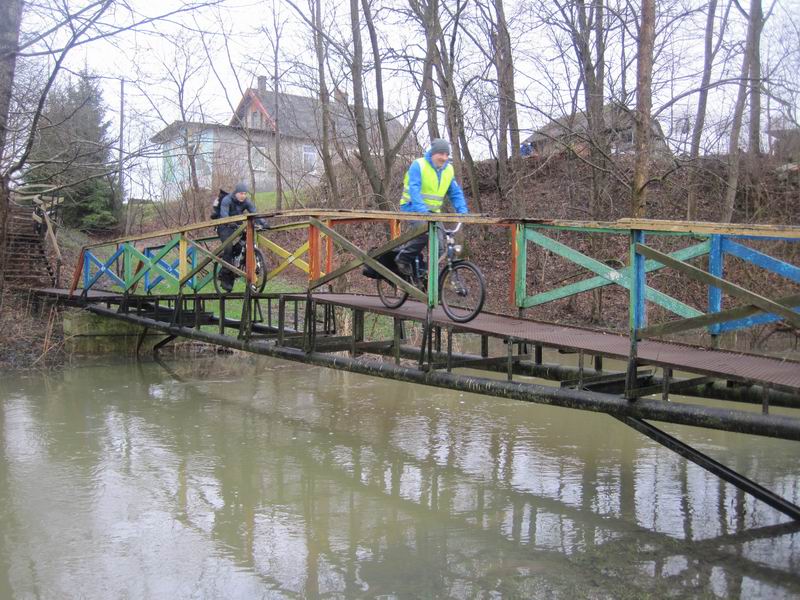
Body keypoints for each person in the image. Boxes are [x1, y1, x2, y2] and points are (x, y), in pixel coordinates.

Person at [395, 138, 469, 275]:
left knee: (440, 247)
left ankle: (430, 279)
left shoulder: (448, 170)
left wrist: (462, 210)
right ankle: (403, 259)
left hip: (433, 212)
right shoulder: (419, 165)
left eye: (446, 154)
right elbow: (414, 189)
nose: (444, 157)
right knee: (425, 233)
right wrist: (422, 212)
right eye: (441, 154)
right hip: (411, 208)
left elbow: (455, 192)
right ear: (433, 153)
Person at [216, 182, 267, 292]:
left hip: (238, 226)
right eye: (241, 193)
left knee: (246, 239)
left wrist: (264, 223)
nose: (243, 196)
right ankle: (225, 275)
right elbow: (224, 215)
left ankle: (239, 259)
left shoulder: (246, 201)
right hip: (224, 226)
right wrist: (230, 222)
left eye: (245, 194)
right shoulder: (227, 200)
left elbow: (254, 214)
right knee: (228, 247)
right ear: (236, 193)